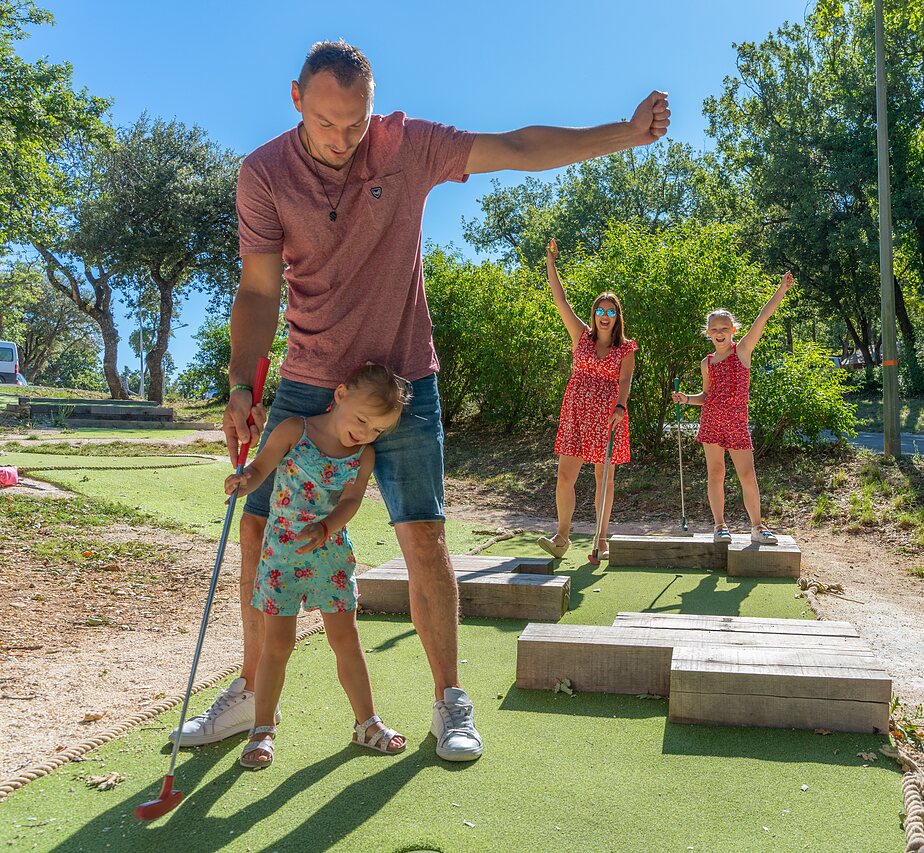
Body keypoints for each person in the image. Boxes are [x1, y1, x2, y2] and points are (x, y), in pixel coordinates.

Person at [173, 40, 670, 761]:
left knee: (423, 535)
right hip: (309, 382)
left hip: (405, 382)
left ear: (373, 108)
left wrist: (622, 134)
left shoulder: (408, 146)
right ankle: (250, 693)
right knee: (256, 529)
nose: (343, 140)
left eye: (356, 123)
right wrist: (241, 386)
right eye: (326, 123)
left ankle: (448, 701)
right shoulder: (264, 173)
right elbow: (258, 289)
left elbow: (518, 146)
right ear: (296, 100)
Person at [225, 364, 410, 768]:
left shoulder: (364, 453)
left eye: (376, 429)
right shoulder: (295, 429)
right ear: (340, 394)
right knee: (278, 644)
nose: (364, 433)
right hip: (282, 556)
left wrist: (327, 527)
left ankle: (367, 723)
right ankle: (262, 728)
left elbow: (352, 500)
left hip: (331, 553)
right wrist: (245, 480)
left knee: (346, 640)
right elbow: (262, 467)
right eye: (362, 420)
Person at [672, 272, 793, 544]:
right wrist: (686, 399)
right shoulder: (707, 363)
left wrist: (781, 290)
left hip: (737, 424)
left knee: (747, 474)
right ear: (708, 333)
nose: (719, 333)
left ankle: (757, 526)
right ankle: (719, 525)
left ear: (733, 330)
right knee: (715, 473)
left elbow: (763, 317)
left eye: (724, 328)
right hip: (711, 422)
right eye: (714, 329)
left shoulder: (743, 351)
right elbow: (707, 395)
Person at [536, 238, 637, 562]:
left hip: (609, 414)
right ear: (593, 315)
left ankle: (601, 539)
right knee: (565, 476)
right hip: (577, 412)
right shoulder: (580, 335)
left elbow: (625, 380)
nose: (604, 315)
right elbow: (560, 299)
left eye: (610, 311)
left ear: (616, 316)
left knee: (603, 478)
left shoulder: (626, 348)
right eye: (599, 310)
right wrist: (552, 263)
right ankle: (562, 537)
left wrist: (620, 407)